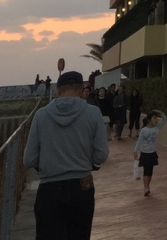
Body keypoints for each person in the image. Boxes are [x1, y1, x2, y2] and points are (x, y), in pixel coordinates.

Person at [23, 69, 108, 240]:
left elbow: (29, 159)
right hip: (82, 187)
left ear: (58, 90)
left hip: (49, 189)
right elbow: (101, 155)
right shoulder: (93, 113)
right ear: (81, 89)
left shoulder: (41, 115)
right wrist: (87, 161)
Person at [133, 110, 167, 197]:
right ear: (149, 120)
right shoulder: (144, 130)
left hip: (153, 153)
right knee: (146, 170)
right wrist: (135, 150)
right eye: (154, 118)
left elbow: (165, 120)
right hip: (145, 153)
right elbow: (139, 141)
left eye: (156, 118)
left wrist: (161, 113)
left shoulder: (157, 128)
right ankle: (146, 187)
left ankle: (148, 186)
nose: (156, 120)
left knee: (150, 171)